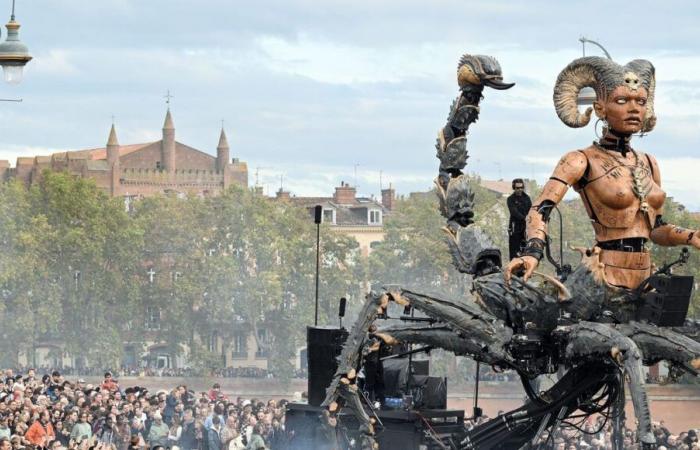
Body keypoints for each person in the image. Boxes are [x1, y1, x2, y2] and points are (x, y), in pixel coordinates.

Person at [506, 56, 700, 288]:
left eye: (640, 101)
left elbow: (655, 230)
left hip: (645, 280)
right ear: (600, 107)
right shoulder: (581, 160)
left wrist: (690, 236)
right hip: (603, 278)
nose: (634, 109)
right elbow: (539, 209)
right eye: (621, 100)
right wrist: (533, 252)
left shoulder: (649, 163)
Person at [506, 178, 531, 260]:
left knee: (525, 248)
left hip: (526, 227)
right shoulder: (510, 199)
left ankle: (524, 267)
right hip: (515, 226)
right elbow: (514, 212)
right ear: (514, 188)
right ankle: (513, 267)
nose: (520, 190)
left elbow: (531, 210)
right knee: (514, 248)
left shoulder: (527, 198)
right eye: (517, 188)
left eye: (521, 187)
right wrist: (524, 218)